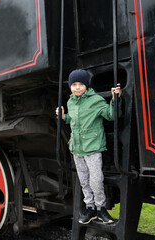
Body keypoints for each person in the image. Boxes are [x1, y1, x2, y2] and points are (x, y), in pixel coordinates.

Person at [56, 69, 122, 224]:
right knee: (84, 180)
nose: (77, 87)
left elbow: (111, 115)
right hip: (77, 149)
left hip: (92, 147)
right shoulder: (71, 101)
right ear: (70, 86)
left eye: (80, 84)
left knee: (96, 179)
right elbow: (73, 120)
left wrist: (115, 99)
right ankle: (90, 207)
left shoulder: (96, 100)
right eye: (74, 84)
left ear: (86, 85)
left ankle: (101, 208)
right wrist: (64, 116)